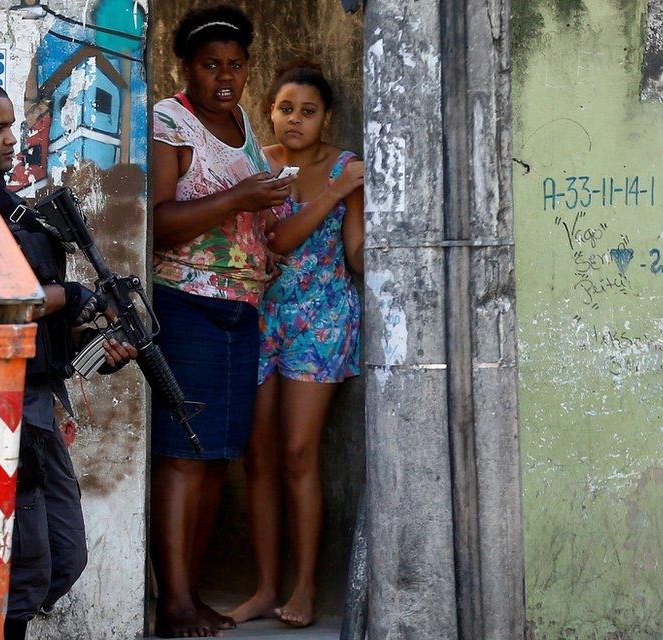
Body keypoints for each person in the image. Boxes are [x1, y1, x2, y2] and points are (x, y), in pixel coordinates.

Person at [0, 77, 137, 640]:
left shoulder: (16, 211)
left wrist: (91, 343)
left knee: (64, 557)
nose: (10, 141)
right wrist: (66, 299)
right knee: (22, 569)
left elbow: (39, 322)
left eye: (13, 129)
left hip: (37, 402)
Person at [148, 5, 295, 638]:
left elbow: (247, 224)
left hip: (241, 310)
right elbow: (159, 223)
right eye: (211, 66)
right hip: (186, 305)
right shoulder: (170, 121)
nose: (225, 77)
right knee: (183, 456)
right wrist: (243, 195)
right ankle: (174, 601)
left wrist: (273, 212)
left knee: (214, 458)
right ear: (187, 68)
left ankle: (192, 593)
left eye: (235, 65)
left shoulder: (242, 126)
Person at [228, 64, 364, 629]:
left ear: (325, 117)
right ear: (270, 111)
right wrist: (332, 195)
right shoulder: (256, 164)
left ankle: (306, 587)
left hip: (323, 320)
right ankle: (265, 588)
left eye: (308, 112)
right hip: (260, 317)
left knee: (299, 454)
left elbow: (355, 253)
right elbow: (270, 241)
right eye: (286, 109)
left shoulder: (346, 166)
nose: (295, 121)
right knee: (257, 456)